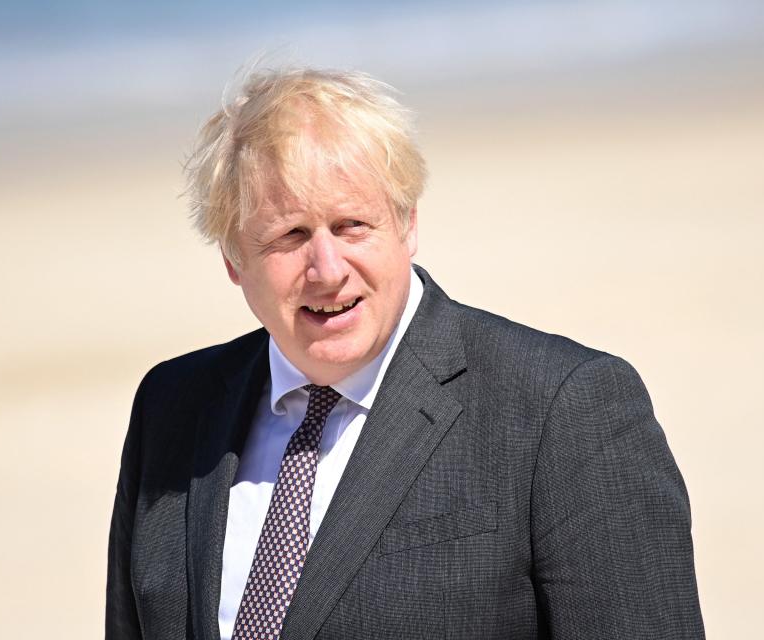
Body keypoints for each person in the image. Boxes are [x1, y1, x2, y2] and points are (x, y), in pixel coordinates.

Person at [106, 67, 704, 640]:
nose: (327, 269)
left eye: (351, 226)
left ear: (407, 223)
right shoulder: (172, 406)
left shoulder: (565, 408)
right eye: (290, 236)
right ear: (233, 259)